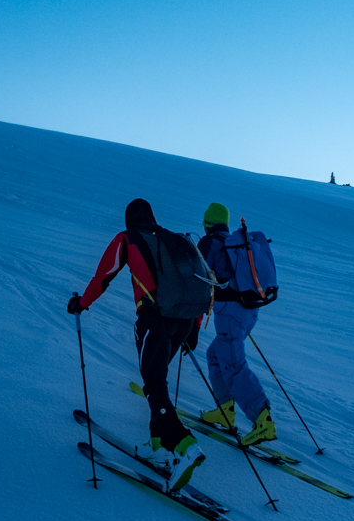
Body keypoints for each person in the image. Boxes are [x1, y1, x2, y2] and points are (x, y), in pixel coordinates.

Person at [67, 198, 205, 492]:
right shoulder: (174, 239)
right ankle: (157, 446)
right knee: (157, 381)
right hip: (183, 319)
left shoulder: (127, 238)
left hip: (155, 319)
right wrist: (193, 330)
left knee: (154, 383)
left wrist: (81, 304)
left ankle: (184, 445)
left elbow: (103, 276)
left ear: (130, 220)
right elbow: (198, 281)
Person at [196, 202, 277, 446]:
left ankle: (263, 420)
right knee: (215, 355)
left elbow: (199, 276)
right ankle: (225, 411)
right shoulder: (236, 244)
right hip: (248, 311)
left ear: (206, 223)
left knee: (233, 365)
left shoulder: (210, 243)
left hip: (230, 313)